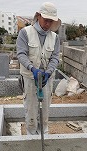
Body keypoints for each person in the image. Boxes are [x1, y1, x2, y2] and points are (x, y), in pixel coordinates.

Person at [16, 2, 61, 135]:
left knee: (45, 109)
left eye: (51, 21)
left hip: (47, 79)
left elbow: (55, 57)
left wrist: (48, 72)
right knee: (31, 109)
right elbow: (21, 54)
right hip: (30, 78)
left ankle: (44, 134)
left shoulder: (55, 38)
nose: (48, 24)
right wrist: (32, 69)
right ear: (38, 16)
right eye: (46, 20)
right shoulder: (25, 33)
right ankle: (31, 134)